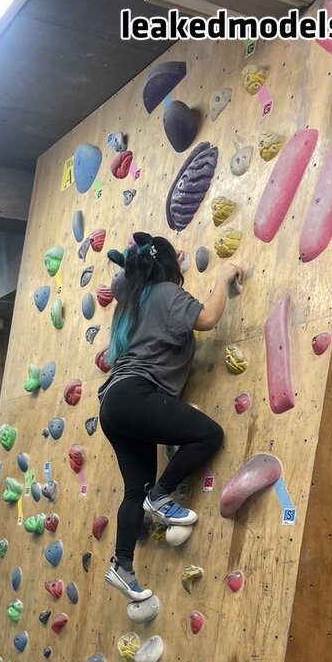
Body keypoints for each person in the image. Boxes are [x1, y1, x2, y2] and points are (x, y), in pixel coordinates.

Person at [98, 232, 244, 601]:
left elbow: (133, 284)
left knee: (135, 490)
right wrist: (224, 278)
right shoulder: (165, 294)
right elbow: (207, 318)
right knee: (209, 435)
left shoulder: (131, 303)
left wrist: (163, 259)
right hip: (137, 395)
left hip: (114, 404)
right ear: (165, 268)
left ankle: (123, 566)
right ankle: (162, 496)